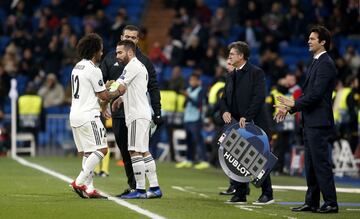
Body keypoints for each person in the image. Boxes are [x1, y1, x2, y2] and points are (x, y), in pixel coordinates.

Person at [274, 26, 339, 213]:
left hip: (318, 121)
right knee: (310, 164)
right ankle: (312, 202)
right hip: (311, 121)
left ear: (323, 42)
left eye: (312, 38)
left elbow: (316, 95)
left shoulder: (325, 63)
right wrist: (289, 108)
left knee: (320, 163)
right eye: (309, 38)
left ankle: (331, 202)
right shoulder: (316, 62)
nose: (308, 41)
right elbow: (309, 94)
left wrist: (292, 105)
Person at [100, 25, 162, 196]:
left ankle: (140, 189)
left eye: (120, 53)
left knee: (134, 151)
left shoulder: (132, 66)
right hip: (141, 113)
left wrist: (106, 95)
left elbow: (119, 87)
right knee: (143, 150)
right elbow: (133, 90)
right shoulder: (138, 66)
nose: (117, 56)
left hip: (135, 115)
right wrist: (120, 99)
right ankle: (155, 188)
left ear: (129, 52)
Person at [220, 41, 274, 205]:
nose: (229, 56)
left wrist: (247, 116)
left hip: (254, 122)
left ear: (242, 56)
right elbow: (224, 98)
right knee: (237, 157)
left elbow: (258, 97)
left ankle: (267, 193)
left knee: (258, 158)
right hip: (236, 123)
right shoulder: (231, 74)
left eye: (232, 54)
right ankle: (240, 193)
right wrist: (225, 111)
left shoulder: (256, 72)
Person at [69, 33, 121, 199]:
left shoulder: (77, 67)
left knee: (88, 152)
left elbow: (90, 90)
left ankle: (89, 188)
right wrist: (117, 91)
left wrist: (103, 87)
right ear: (94, 51)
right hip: (88, 116)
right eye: (100, 50)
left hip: (75, 114)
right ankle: (79, 181)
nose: (102, 52)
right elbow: (104, 97)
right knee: (102, 149)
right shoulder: (94, 70)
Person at [175, 73, 209, 169]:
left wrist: (188, 96)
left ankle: (204, 160)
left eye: (194, 80)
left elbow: (198, 104)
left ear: (198, 81)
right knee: (189, 140)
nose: (192, 82)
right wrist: (186, 96)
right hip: (187, 118)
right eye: (191, 80)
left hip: (196, 118)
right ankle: (189, 160)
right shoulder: (189, 90)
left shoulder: (201, 90)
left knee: (198, 140)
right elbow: (184, 105)